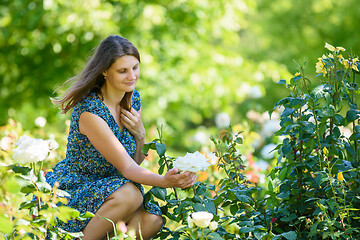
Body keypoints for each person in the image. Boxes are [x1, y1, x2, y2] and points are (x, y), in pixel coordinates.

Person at [46, 35, 197, 240]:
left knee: (151, 220)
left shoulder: (132, 99)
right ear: (105, 71)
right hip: (80, 188)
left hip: (114, 187)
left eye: (135, 67)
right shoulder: (90, 112)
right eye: (122, 70)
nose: (132, 76)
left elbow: (133, 162)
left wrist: (141, 135)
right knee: (131, 195)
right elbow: (128, 169)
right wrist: (165, 181)